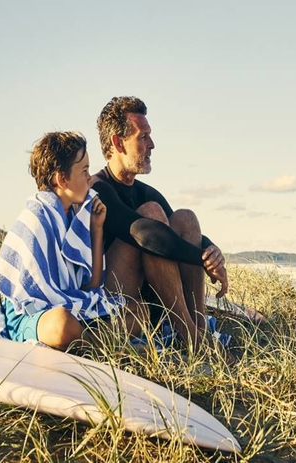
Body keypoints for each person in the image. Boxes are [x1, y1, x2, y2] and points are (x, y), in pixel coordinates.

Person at [91, 96, 229, 352]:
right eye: (143, 137)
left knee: (185, 217)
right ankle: (190, 336)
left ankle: (197, 326)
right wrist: (201, 258)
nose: (152, 145)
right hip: (114, 301)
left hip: (150, 296)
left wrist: (213, 254)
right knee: (152, 217)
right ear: (118, 142)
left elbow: (184, 234)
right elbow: (147, 235)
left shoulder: (145, 192)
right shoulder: (97, 188)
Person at [0, 131, 118, 351]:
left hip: (74, 309)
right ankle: (99, 342)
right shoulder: (35, 218)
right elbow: (32, 301)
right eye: (85, 170)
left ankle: (88, 341)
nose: (90, 178)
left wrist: (97, 229)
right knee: (62, 325)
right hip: (30, 317)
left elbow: (92, 286)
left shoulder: (77, 218)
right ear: (62, 179)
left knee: (137, 312)